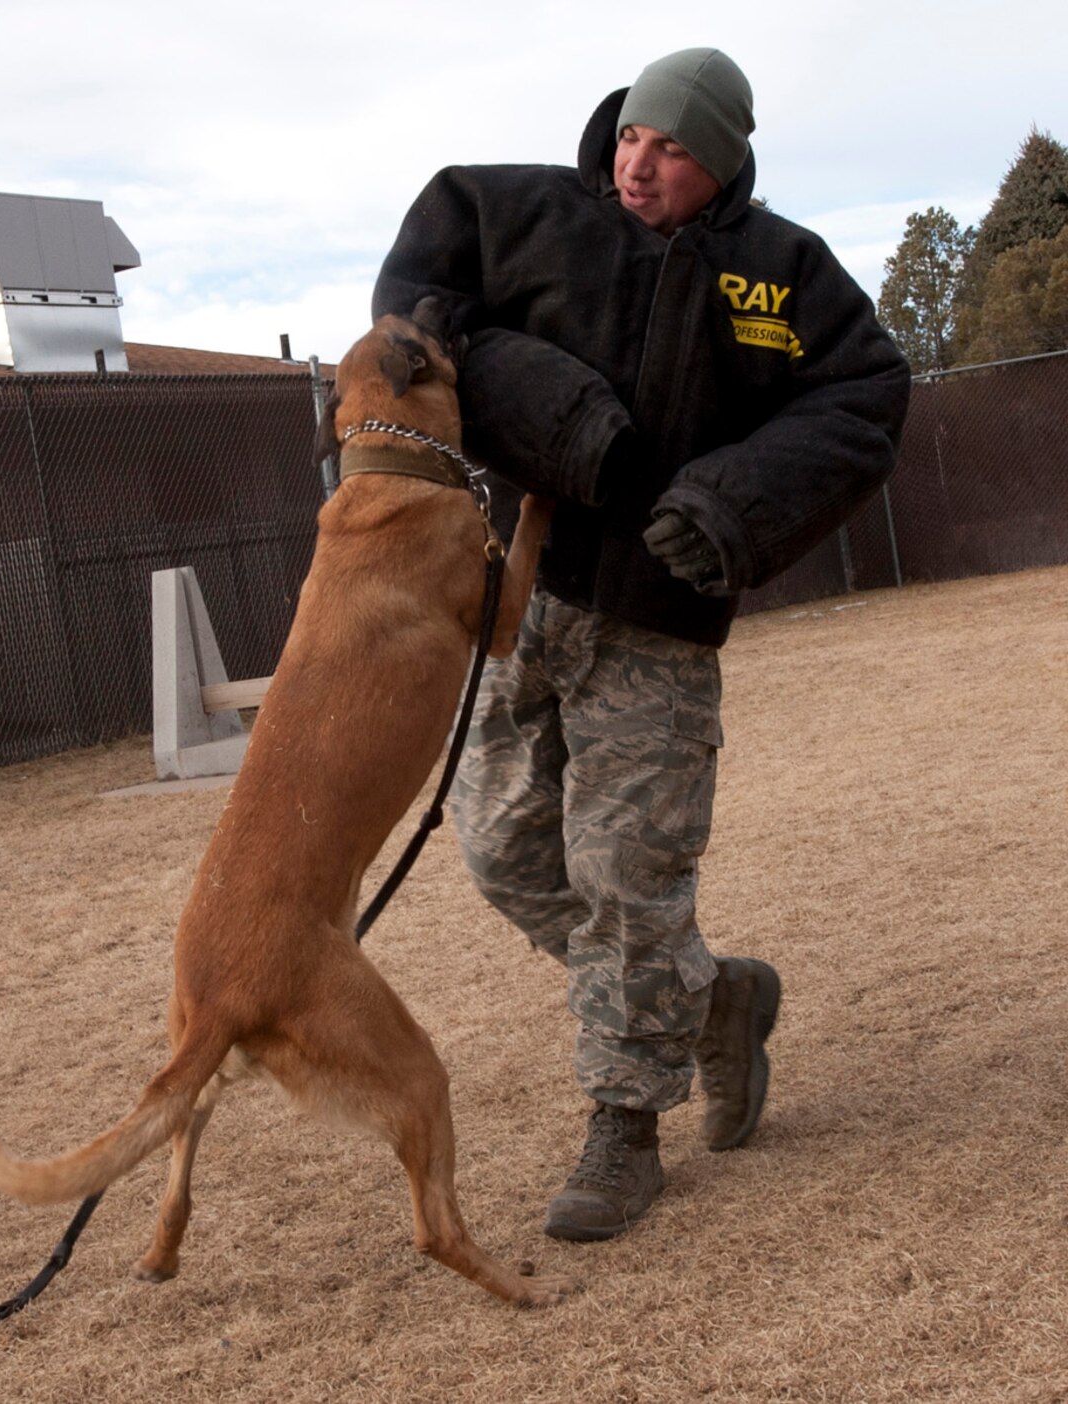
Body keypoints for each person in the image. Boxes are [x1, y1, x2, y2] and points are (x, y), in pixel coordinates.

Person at [371, 49, 910, 1241]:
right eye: (629, 138)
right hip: (517, 600)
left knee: (628, 878)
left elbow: (863, 398)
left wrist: (727, 506)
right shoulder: (520, 214)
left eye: (668, 148)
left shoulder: (782, 274)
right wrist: (544, 411)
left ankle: (623, 1127)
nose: (637, 162)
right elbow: (422, 300)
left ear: (717, 157)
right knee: (504, 852)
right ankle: (711, 999)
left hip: (656, 624)